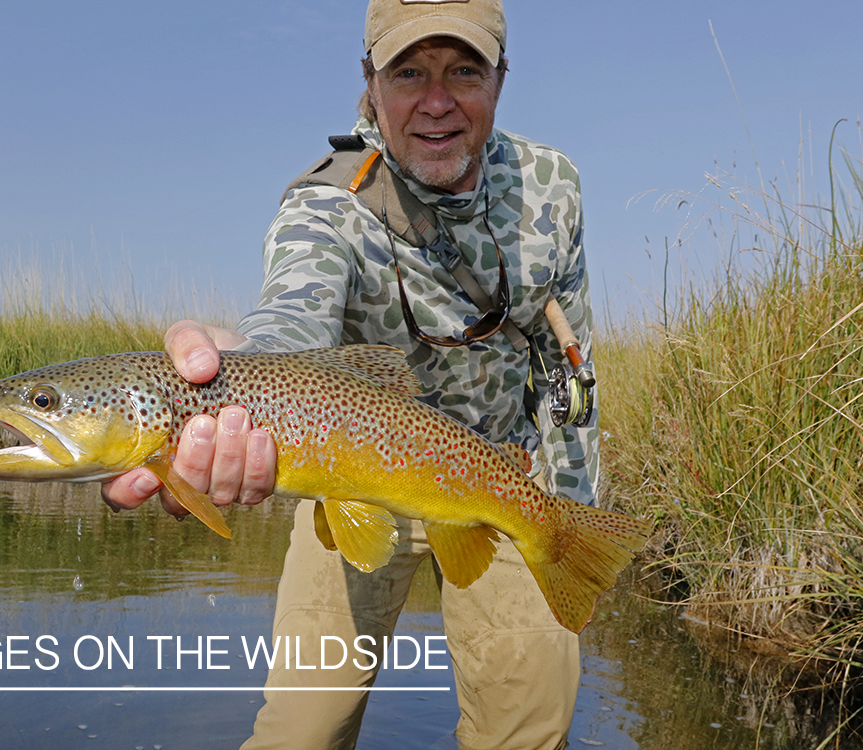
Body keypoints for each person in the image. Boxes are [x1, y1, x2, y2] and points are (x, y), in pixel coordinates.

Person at [104, 1, 597, 747]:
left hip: (503, 475)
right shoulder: (323, 204)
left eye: (463, 70)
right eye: (408, 73)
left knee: (524, 734)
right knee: (301, 733)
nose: (436, 101)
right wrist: (230, 373)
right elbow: (289, 323)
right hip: (354, 478)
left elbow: (569, 364)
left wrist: (569, 513)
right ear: (369, 83)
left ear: (500, 78)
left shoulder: (551, 185)